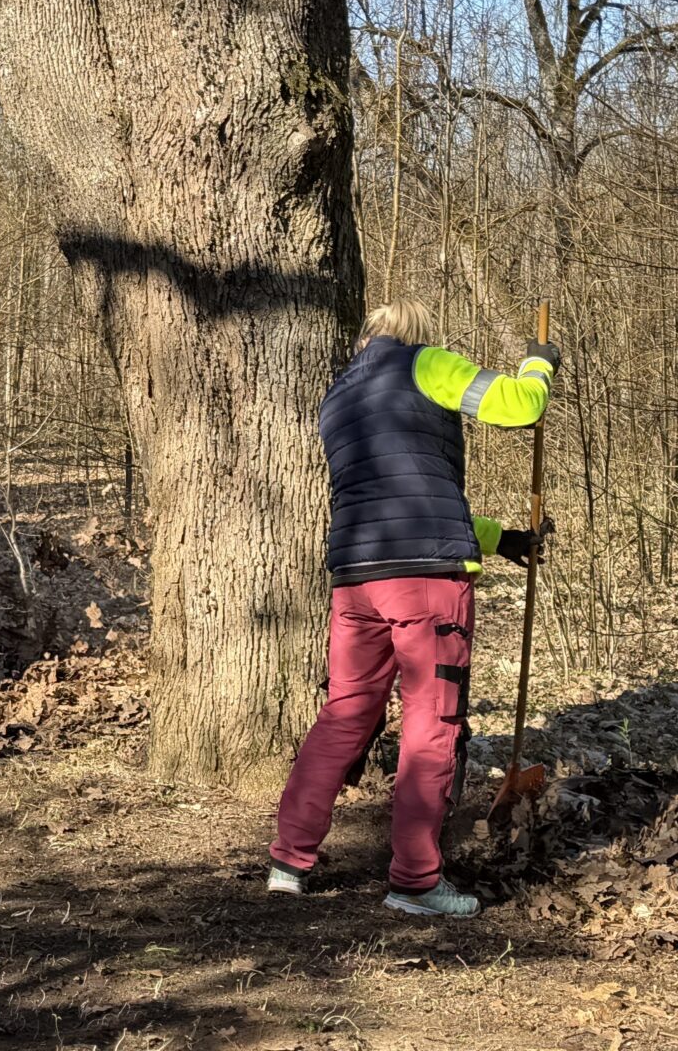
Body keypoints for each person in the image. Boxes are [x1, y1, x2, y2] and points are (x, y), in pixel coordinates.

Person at [268, 299, 559, 918]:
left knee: (344, 714)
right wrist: (538, 365)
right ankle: (416, 883)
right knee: (432, 722)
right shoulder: (428, 363)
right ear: (418, 336)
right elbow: (518, 406)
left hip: (356, 577)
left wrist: (498, 538)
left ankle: (288, 862)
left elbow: (401, 492)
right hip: (424, 582)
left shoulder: (338, 396)